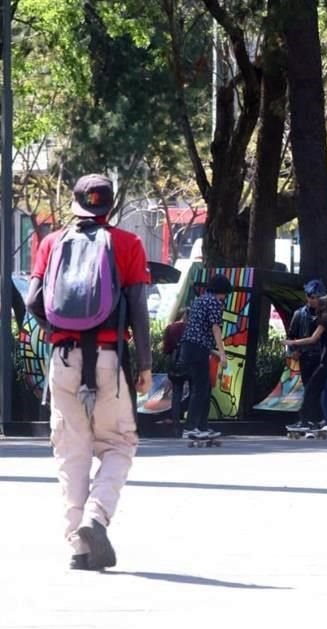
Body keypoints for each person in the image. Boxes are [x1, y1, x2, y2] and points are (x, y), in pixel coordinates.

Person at [25, 173, 153, 571]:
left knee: (71, 452)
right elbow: (138, 308)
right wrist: (146, 365)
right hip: (109, 359)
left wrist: (60, 333)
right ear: (109, 207)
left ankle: (78, 547)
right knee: (119, 444)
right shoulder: (127, 244)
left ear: (75, 203)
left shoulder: (51, 243)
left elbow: (32, 302)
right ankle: (95, 518)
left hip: (63, 361)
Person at [283, 292, 327, 438]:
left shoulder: (325, 320)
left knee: (311, 389)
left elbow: (313, 339)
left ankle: (304, 420)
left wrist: (293, 343)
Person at [179, 273, 231, 439]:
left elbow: (198, 330)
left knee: (204, 387)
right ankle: (191, 427)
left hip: (189, 347)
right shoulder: (214, 302)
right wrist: (222, 353)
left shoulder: (199, 300)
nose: (224, 298)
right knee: (200, 388)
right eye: (225, 294)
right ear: (222, 291)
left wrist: (213, 351)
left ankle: (201, 426)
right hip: (197, 349)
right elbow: (215, 328)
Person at [161, 309, 188, 435]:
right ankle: (191, 424)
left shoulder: (170, 328)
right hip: (189, 361)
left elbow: (165, 348)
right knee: (195, 392)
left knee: (176, 392)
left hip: (173, 361)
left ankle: (175, 423)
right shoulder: (191, 328)